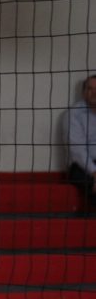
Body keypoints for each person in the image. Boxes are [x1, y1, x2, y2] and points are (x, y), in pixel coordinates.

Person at [67, 74, 96, 213]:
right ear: (84, 92)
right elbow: (78, 151)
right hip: (82, 167)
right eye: (90, 89)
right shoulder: (75, 114)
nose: (94, 93)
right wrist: (94, 172)